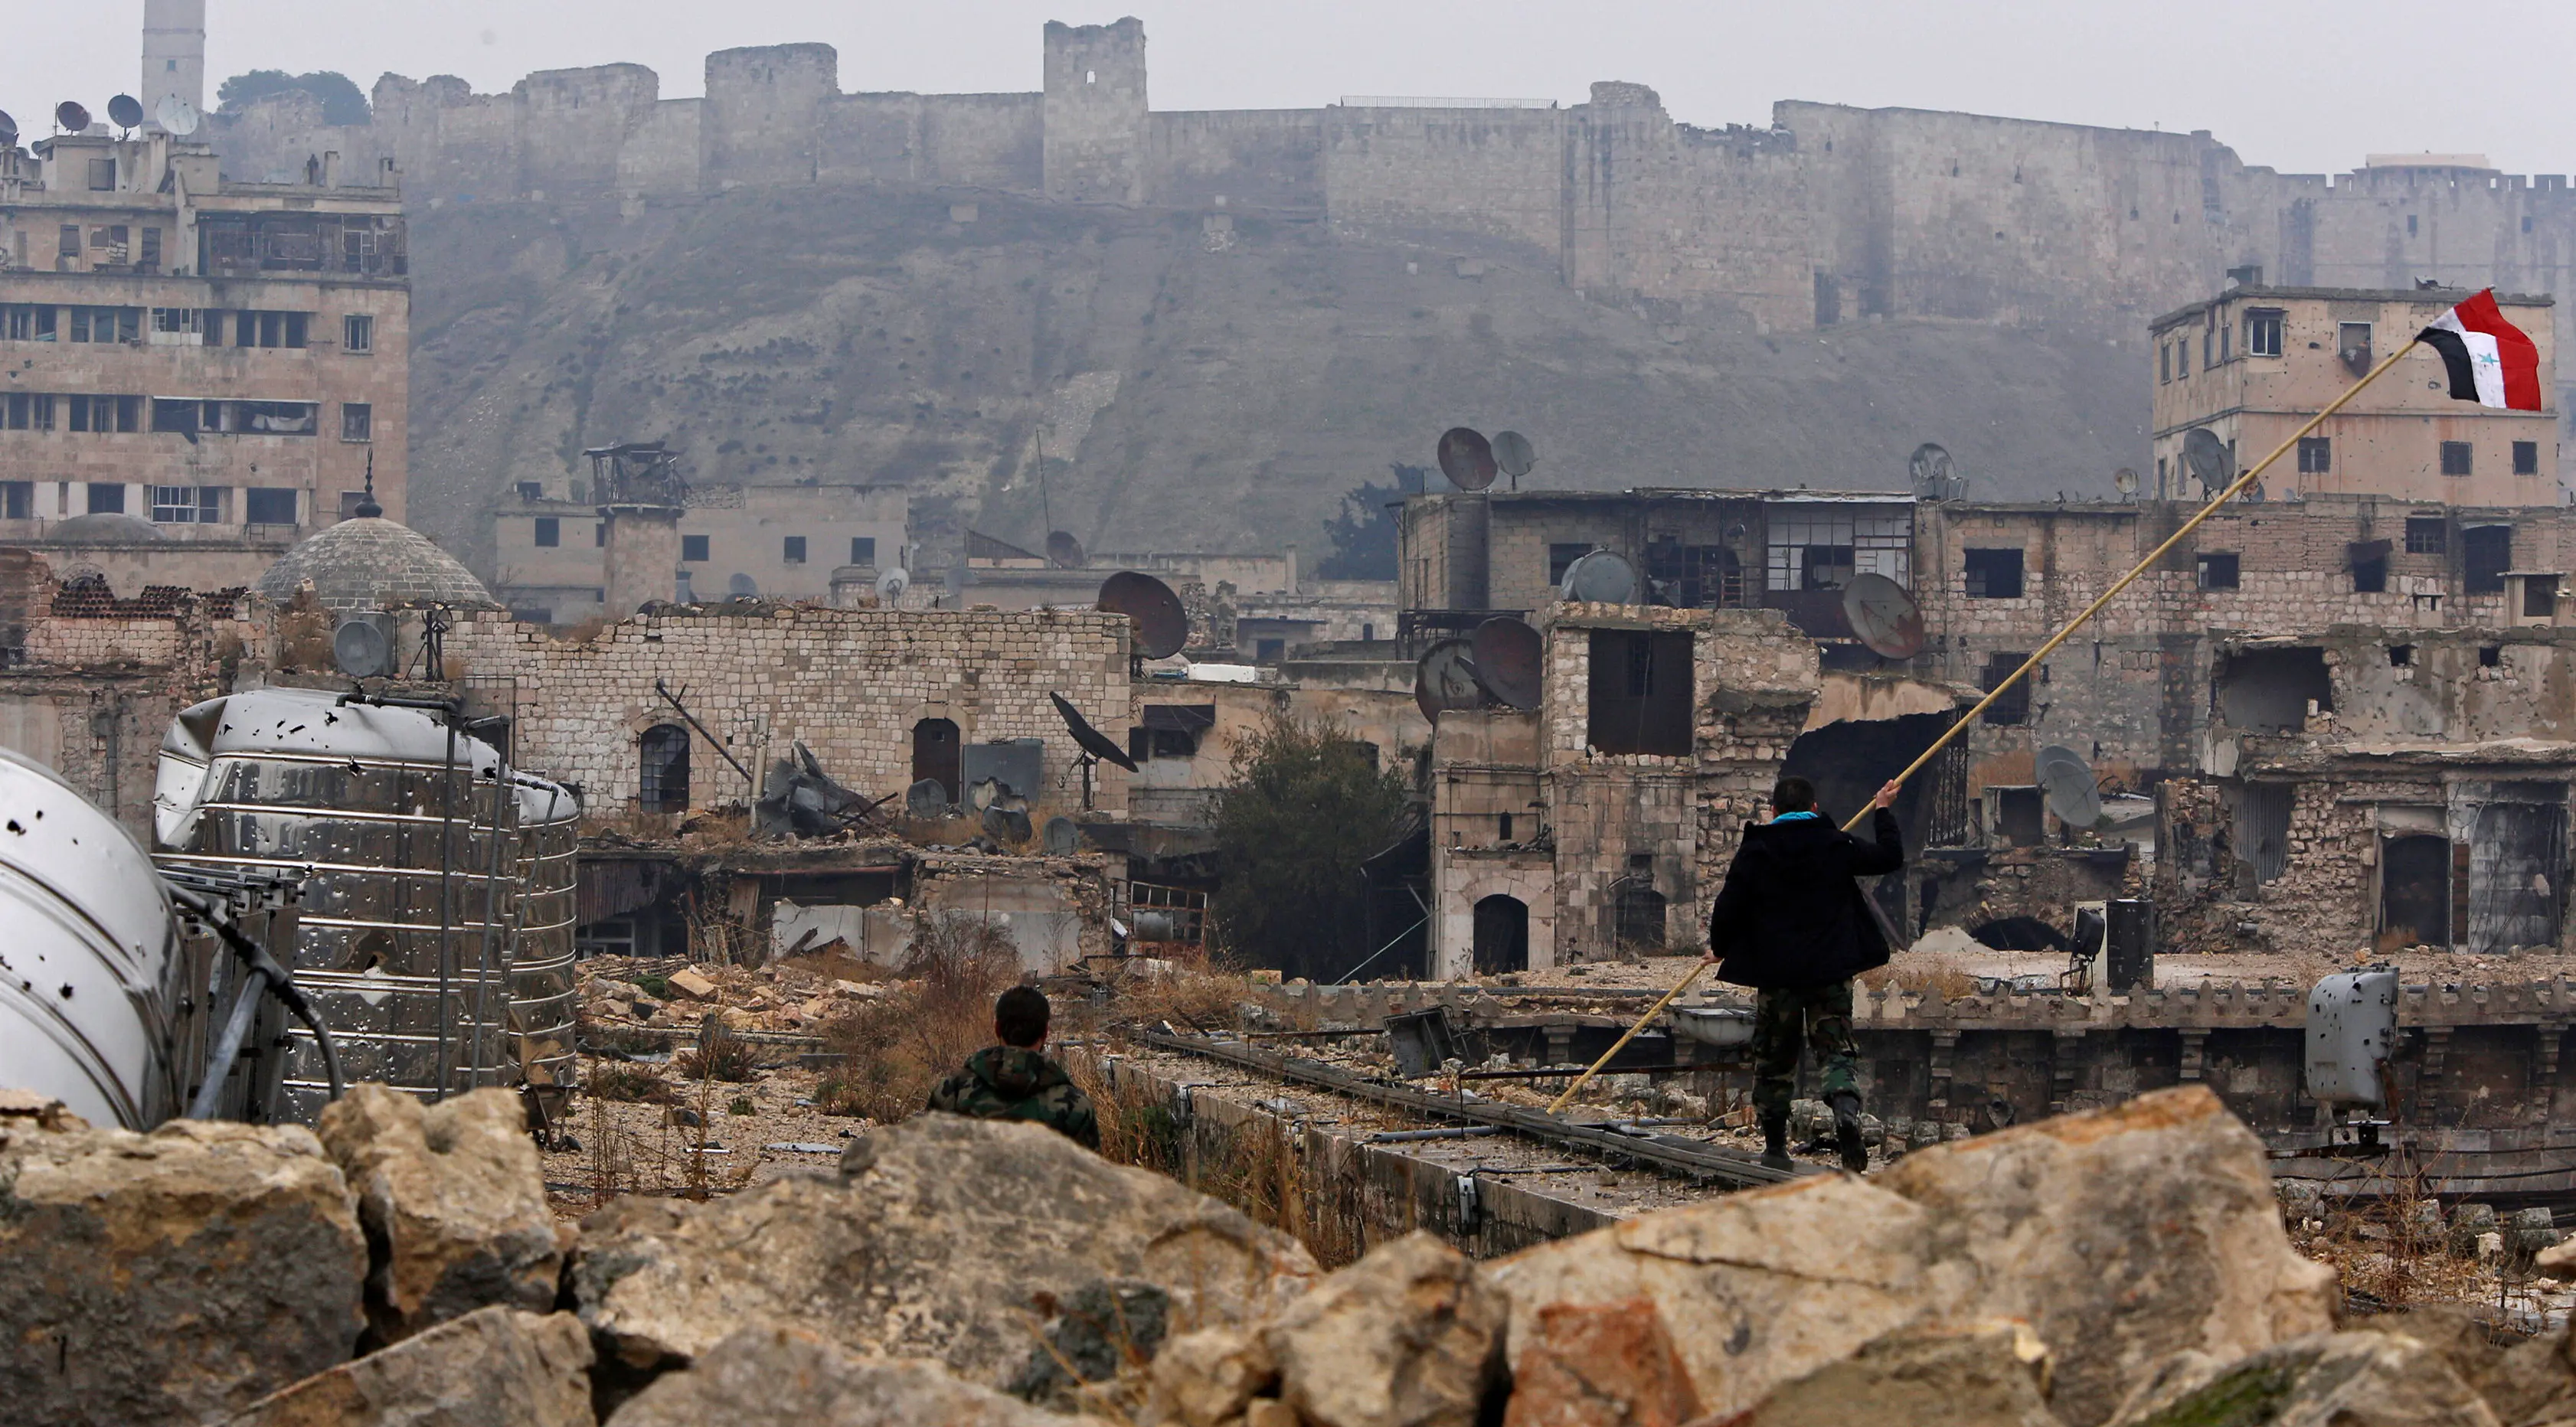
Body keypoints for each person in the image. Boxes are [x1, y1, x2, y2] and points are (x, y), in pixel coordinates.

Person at [1705, 775, 1904, 1174]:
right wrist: (1882, 810)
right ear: (1813, 808)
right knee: (1835, 1051)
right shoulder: (1836, 844)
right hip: (1829, 972)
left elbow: (1728, 905)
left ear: (1774, 812)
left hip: (1776, 976)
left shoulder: (1757, 850)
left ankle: (1776, 1148)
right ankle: (1846, 1113)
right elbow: (1889, 857)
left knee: (1775, 1059)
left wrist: (1722, 948)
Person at [927, 985, 1101, 1149]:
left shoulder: (952, 1092)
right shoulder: (1075, 1106)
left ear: (997, 1028)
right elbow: (1088, 1176)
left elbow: (923, 1163)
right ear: (1046, 1032)